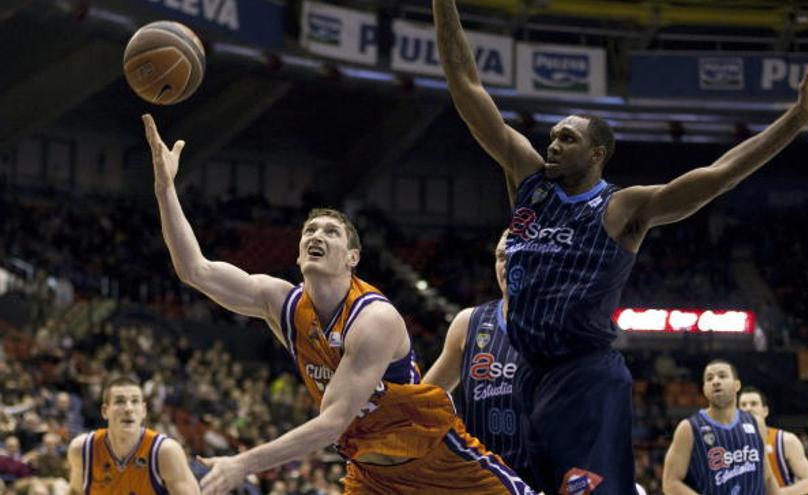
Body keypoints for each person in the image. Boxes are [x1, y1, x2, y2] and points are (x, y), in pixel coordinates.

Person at [431, 0, 808, 490]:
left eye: (566, 139)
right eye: (551, 135)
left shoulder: (622, 208)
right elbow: (467, 88)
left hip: (586, 377)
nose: (551, 144)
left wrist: (798, 116)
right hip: (529, 374)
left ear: (596, 155)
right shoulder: (528, 181)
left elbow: (721, 176)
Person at [142, 114, 534, 495]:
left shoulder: (374, 318)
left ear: (352, 257)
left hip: (439, 463)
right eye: (310, 230)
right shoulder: (279, 301)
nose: (318, 235)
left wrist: (242, 463)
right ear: (298, 253)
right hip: (371, 476)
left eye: (332, 232)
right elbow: (195, 270)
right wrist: (165, 189)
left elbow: (332, 424)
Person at [423, 230, 532, 485]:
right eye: (502, 257)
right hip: (483, 479)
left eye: (519, 256)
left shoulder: (564, 327)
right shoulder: (468, 323)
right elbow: (425, 400)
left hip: (542, 478)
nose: (507, 265)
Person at [662, 360, 780, 494]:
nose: (716, 381)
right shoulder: (689, 428)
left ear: (737, 385)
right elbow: (670, 482)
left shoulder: (756, 423)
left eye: (722, 376)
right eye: (709, 378)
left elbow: (768, 477)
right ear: (705, 390)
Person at [66, 377, 200, 495]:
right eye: (120, 401)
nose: (129, 409)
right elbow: (76, 492)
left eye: (135, 401)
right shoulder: (83, 450)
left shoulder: (164, 452)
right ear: (105, 411)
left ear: (143, 411)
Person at [739, 386, 808, 494]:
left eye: (754, 404)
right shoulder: (728, 443)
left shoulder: (786, 441)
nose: (748, 408)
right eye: (743, 405)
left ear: (765, 411)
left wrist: (779, 493)